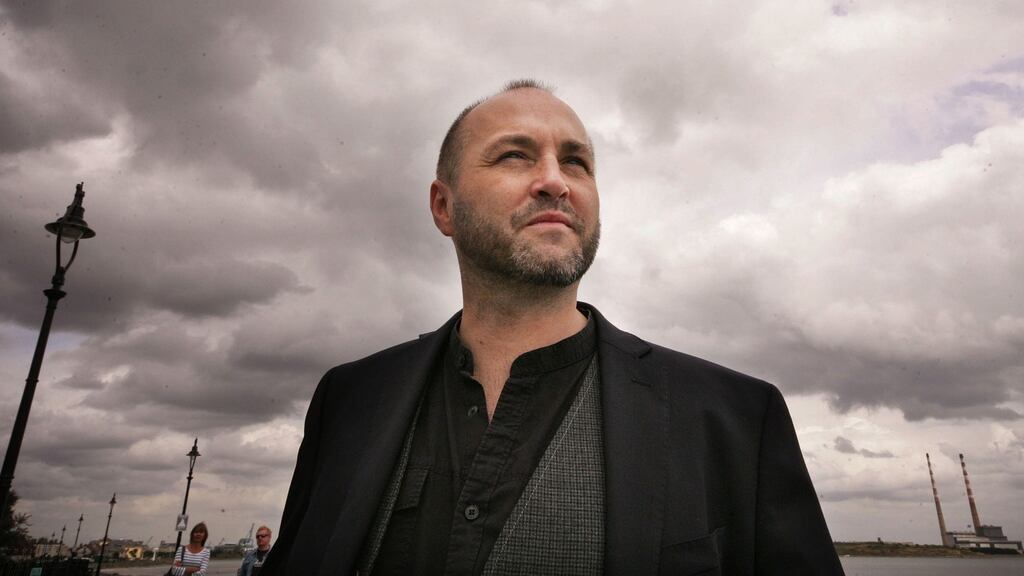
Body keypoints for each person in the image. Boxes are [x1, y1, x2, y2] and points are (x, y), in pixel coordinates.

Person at [263, 80, 844, 575]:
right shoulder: (348, 401)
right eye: (514, 155)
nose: (554, 181)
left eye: (576, 161)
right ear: (443, 207)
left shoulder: (739, 419)